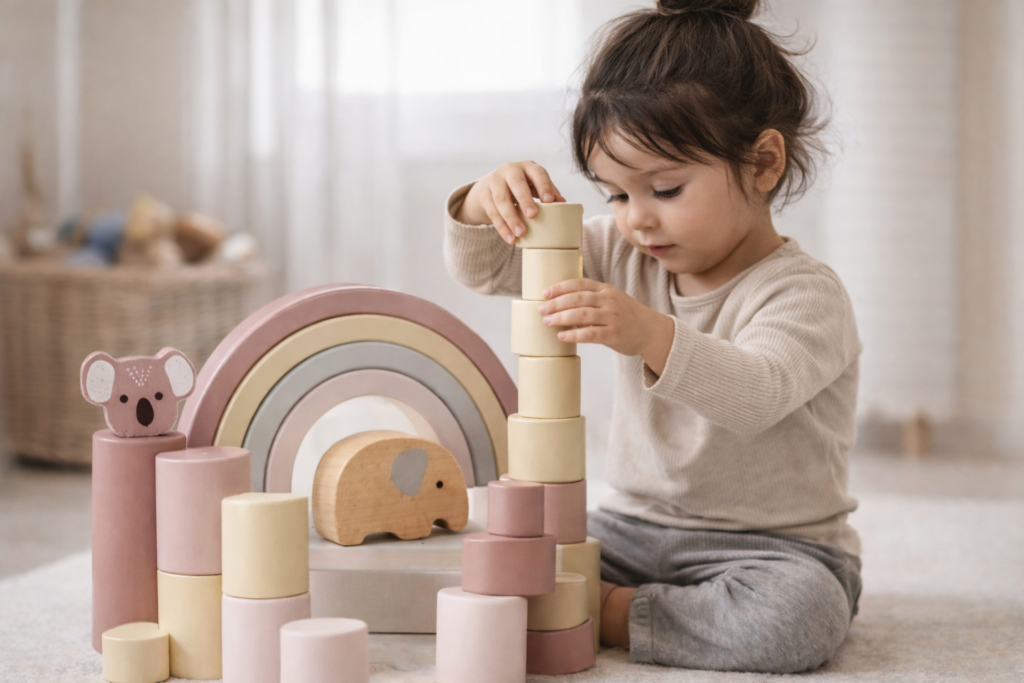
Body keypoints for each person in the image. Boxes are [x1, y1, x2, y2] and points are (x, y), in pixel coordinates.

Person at [443, 0, 862, 673]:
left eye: (664, 188)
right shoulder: (624, 252)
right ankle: (600, 592)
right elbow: (489, 269)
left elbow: (756, 394)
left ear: (762, 164)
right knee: (505, 546)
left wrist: (648, 332)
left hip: (772, 548)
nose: (636, 219)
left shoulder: (804, 294)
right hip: (630, 531)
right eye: (615, 194)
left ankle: (606, 610)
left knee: (796, 620)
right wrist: (482, 200)